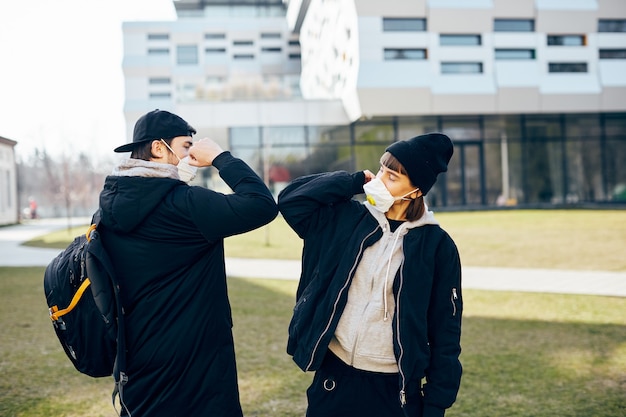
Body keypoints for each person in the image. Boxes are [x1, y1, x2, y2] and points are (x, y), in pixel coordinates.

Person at [98, 109, 278, 416]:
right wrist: (221, 157)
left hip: (138, 359)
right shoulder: (186, 205)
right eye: (185, 146)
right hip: (195, 362)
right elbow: (261, 204)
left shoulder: (108, 208)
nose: (193, 154)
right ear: (158, 148)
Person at [278, 133, 462, 417]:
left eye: (393, 177)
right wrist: (353, 182)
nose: (380, 179)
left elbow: (445, 330)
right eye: (381, 170)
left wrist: (436, 403)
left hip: (393, 387)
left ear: (416, 190)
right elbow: (291, 200)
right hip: (335, 376)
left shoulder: (438, 247)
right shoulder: (346, 219)